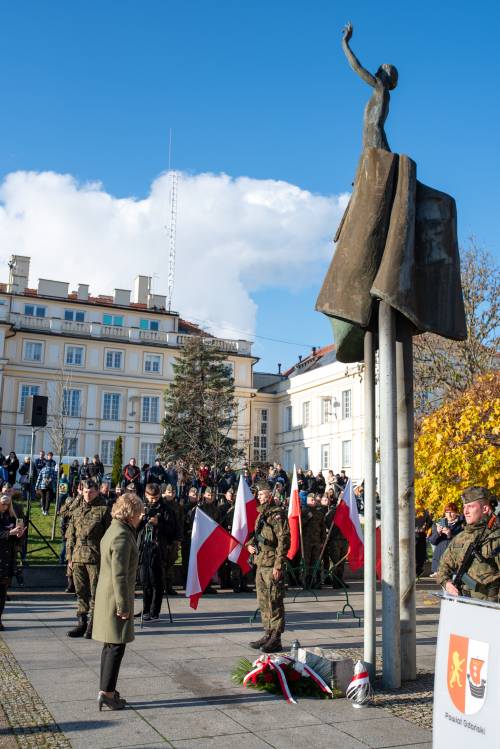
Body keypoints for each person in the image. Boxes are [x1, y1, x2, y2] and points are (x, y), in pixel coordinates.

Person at [93, 492, 143, 711]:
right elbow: (120, 575)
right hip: (116, 597)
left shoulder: (114, 529)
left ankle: (106, 689)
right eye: (138, 512)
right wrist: (124, 606)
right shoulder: (122, 535)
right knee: (115, 647)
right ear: (130, 513)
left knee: (110, 646)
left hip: (108, 594)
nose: (141, 516)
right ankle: (108, 693)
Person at [342, 22, 398, 152]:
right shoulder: (381, 91)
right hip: (369, 137)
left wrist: (345, 43)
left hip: (374, 137)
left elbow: (357, 67)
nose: (376, 73)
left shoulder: (380, 87)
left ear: (386, 75)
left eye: (380, 71)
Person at [246, 487, 290, 653]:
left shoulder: (277, 514)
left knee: (275, 600)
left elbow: (283, 540)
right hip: (260, 562)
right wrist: (249, 545)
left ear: (270, 495)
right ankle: (268, 633)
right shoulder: (261, 514)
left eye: (262, 494)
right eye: (258, 494)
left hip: (272, 564)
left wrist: (278, 565)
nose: (259, 496)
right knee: (263, 601)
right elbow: (257, 535)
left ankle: (276, 638)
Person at [437, 487, 500, 602]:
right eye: (464, 507)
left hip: (490, 606)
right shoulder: (461, 537)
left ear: (485, 508)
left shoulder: (496, 536)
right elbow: (443, 567)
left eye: (470, 506)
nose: (465, 511)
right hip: (463, 603)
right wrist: (447, 583)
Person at [66, 479, 111, 638]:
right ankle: (81, 622)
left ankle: (94, 624)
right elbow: (70, 536)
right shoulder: (77, 511)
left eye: (91, 491)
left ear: (98, 491)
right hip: (78, 556)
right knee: (80, 591)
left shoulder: (104, 510)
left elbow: (109, 536)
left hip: (95, 556)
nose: (88, 495)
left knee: (95, 592)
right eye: (85, 492)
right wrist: (69, 557)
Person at [138, 483, 178, 620]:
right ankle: (146, 609)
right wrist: (139, 521)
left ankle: (154, 611)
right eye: (150, 497)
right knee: (144, 581)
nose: (153, 500)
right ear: (145, 495)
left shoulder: (166, 509)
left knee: (156, 581)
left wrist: (158, 524)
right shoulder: (141, 507)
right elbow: (135, 529)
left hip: (158, 549)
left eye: (155, 497)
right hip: (143, 549)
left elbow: (172, 530)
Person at [0, 493, 26, 630]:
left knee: (3, 593)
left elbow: (17, 540)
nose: (5, 506)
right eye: (3, 503)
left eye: (7, 504)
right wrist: (9, 533)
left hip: (7, 560)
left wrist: (19, 535)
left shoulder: (11, 517)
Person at [429, 503, 463, 577]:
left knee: (454, 585)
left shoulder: (462, 524)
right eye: (447, 512)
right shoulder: (439, 523)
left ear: (456, 512)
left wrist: (450, 535)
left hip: (455, 560)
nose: (449, 515)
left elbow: (463, 542)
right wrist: (438, 533)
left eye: (451, 512)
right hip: (440, 560)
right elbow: (432, 541)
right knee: (445, 586)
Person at [301, 493, 326, 588]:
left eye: (314, 500)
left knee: (316, 562)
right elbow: (299, 526)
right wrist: (307, 517)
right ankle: (305, 582)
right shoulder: (303, 511)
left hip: (317, 541)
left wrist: (323, 540)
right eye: (311, 500)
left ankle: (314, 581)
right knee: (306, 562)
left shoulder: (319, 513)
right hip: (306, 542)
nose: (313, 501)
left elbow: (322, 528)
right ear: (307, 500)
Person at [181, 487, 199, 586]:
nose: (195, 497)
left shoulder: (201, 507)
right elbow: (181, 522)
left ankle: (195, 583)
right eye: (193, 495)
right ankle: (186, 582)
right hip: (187, 537)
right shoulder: (184, 508)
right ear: (189, 495)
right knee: (186, 560)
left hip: (197, 538)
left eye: (196, 495)